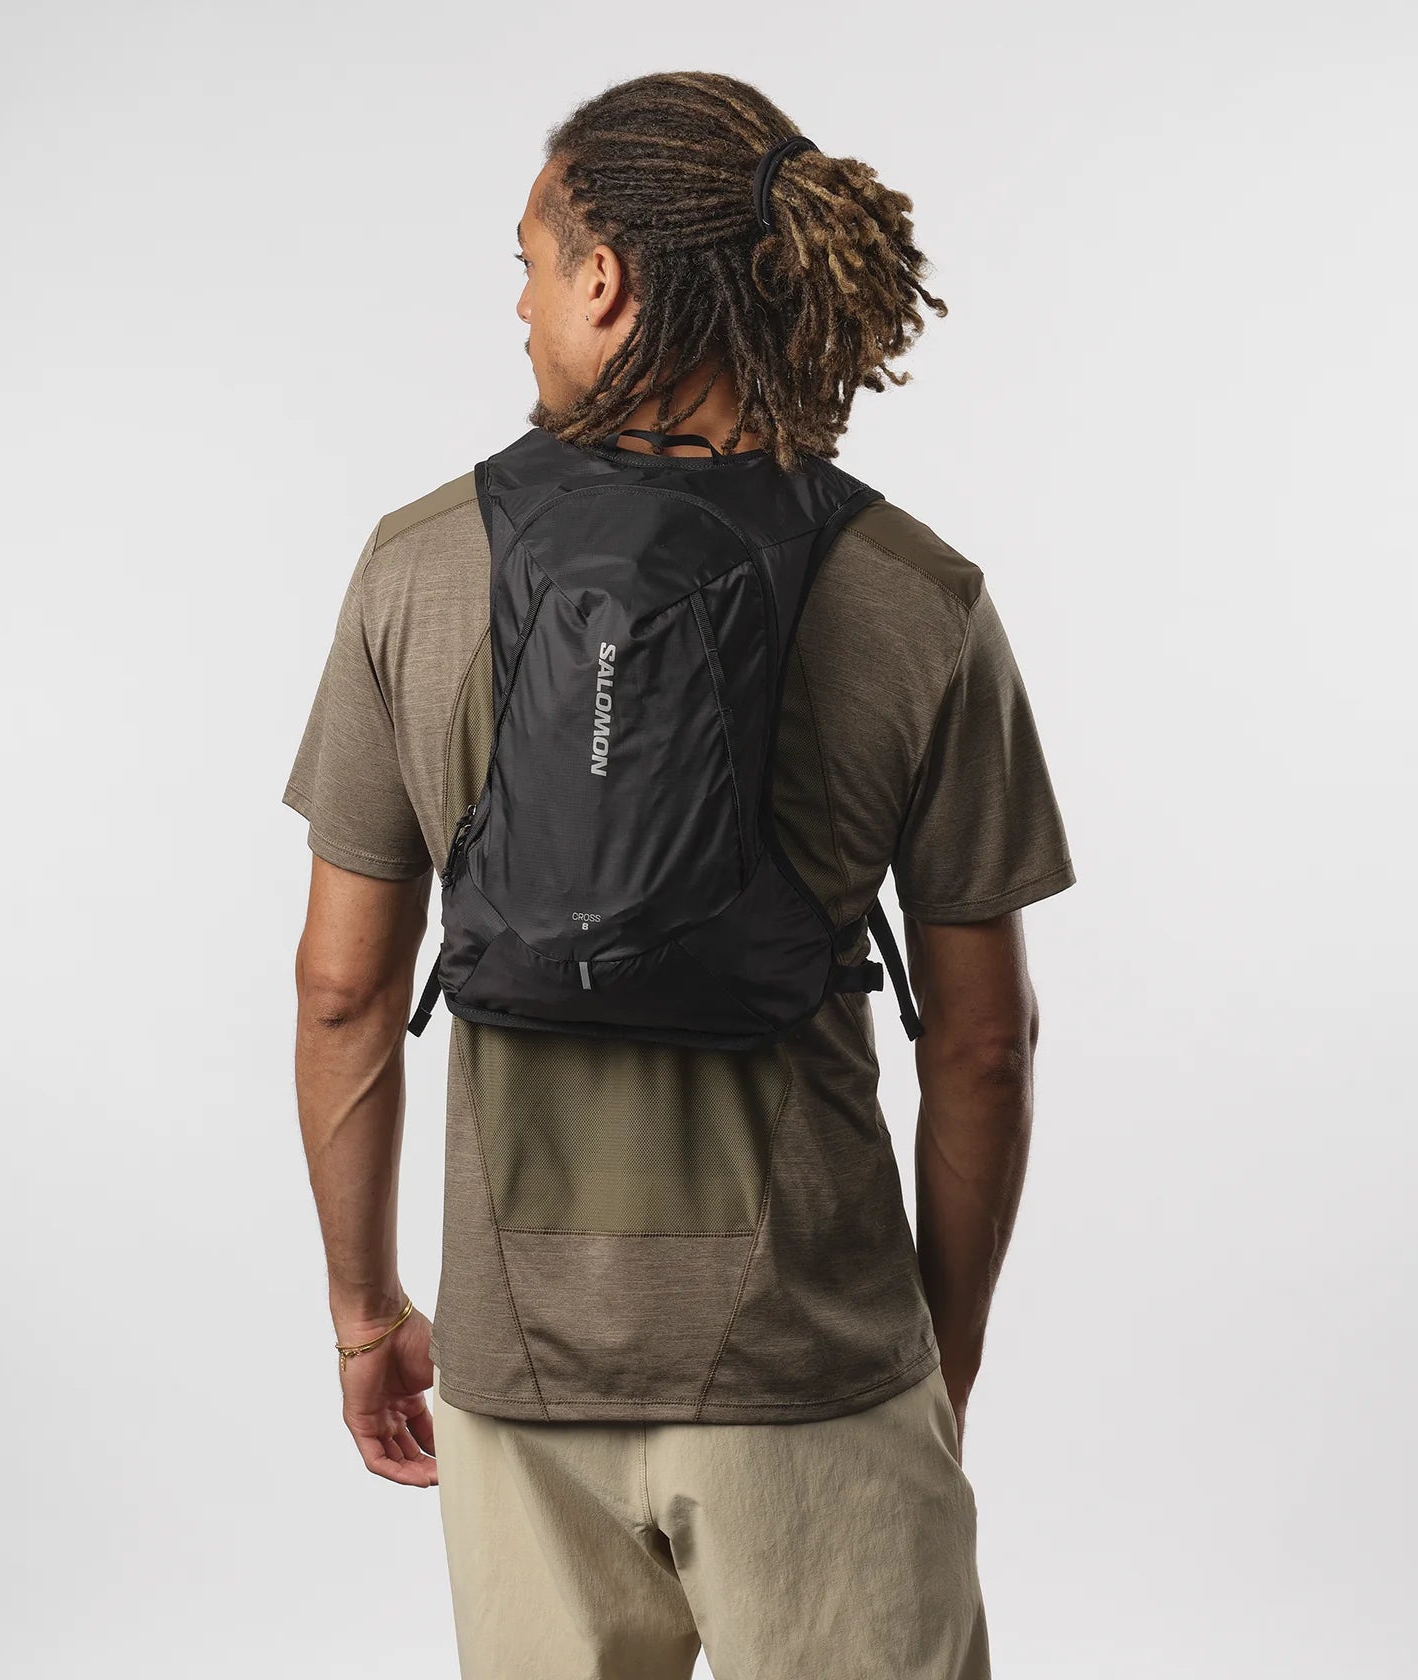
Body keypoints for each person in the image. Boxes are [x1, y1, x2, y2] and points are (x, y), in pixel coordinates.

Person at [284, 70, 1076, 1680]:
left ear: (605, 279)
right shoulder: (916, 593)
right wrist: (934, 1360)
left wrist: (369, 1315)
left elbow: (343, 991)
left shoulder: (418, 565)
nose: (517, 307)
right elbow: (985, 1043)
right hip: (816, 1369)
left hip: (522, 1383)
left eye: (527, 264)